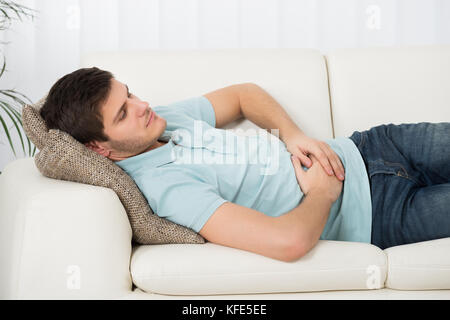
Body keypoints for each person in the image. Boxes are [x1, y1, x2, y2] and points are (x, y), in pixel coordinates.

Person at [40, 67, 450, 262]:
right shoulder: (167, 189)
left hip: (372, 146)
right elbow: (286, 243)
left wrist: (293, 135)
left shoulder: (162, 120)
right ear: (100, 149)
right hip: (382, 214)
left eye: (130, 94)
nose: (143, 106)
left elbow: (243, 94)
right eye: (124, 113)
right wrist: (322, 195)